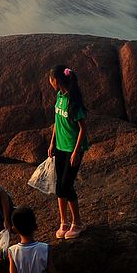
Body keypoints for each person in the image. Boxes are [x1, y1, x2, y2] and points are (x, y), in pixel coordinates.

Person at [48, 65, 89, 240]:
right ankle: (64, 222)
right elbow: (57, 122)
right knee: (59, 186)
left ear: (56, 80)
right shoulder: (59, 96)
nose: (50, 83)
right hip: (60, 147)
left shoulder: (73, 100)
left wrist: (76, 152)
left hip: (73, 149)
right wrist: (52, 143)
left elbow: (83, 129)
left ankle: (77, 223)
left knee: (67, 185)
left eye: (51, 80)